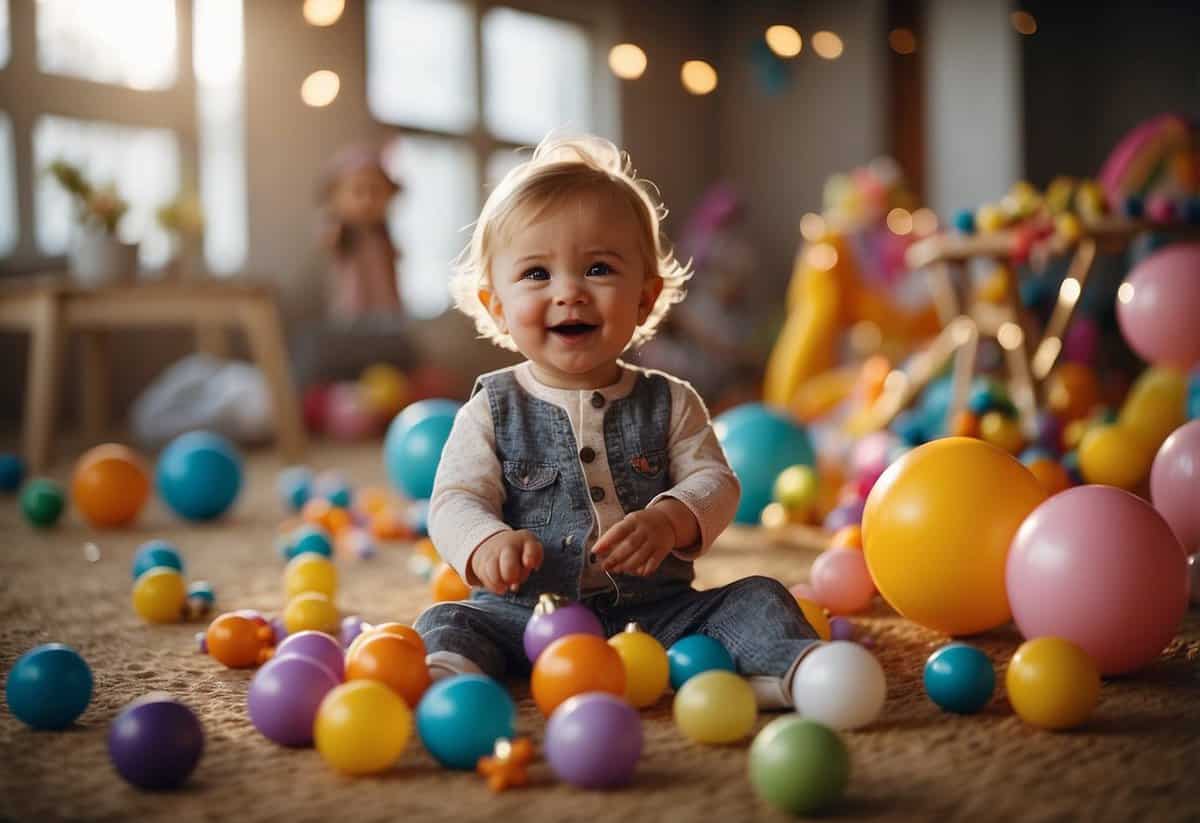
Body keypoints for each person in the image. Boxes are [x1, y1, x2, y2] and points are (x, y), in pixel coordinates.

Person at [415, 135, 819, 708]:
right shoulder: (491, 406)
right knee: (447, 618)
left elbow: (716, 483)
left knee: (758, 595)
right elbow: (455, 499)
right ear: (497, 305)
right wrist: (488, 544)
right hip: (524, 618)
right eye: (536, 274)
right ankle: (450, 680)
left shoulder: (672, 400)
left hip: (657, 619)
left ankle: (792, 670)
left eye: (598, 268)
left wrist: (671, 520)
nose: (570, 293)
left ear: (645, 299)